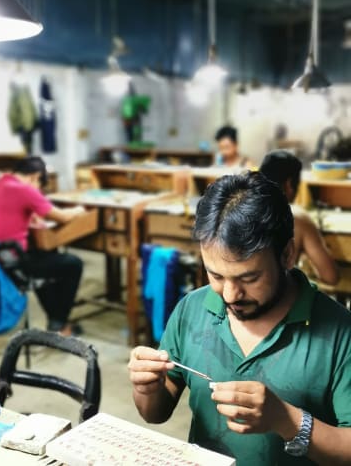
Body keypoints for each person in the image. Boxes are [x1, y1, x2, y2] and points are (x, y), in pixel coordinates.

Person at [128, 171, 351, 466]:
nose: (230, 295)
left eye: (249, 277)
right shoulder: (191, 310)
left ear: (286, 255)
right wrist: (147, 387)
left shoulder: (339, 331)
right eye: (216, 275)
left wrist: (287, 421)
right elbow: (154, 413)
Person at [0, 156, 85, 336]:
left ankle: (55, 321)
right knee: (72, 264)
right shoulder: (24, 190)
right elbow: (62, 217)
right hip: (7, 267)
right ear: (35, 177)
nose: (38, 191)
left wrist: (28, 215)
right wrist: (79, 210)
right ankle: (59, 323)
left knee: (44, 257)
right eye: (39, 187)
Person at [260, 150, 339, 285]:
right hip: (278, 301)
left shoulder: (238, 208)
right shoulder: (297, 219)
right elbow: (331, 277)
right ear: (290, 184)